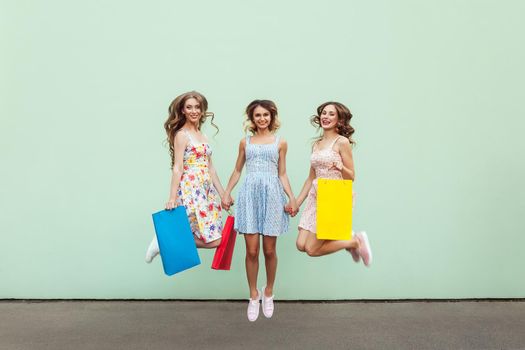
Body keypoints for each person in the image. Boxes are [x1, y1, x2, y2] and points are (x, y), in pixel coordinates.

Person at [222, 100, 296, 322]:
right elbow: (237, 170)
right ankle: (253, 294)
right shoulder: (245, 143)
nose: (262, 118)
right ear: (252, 119)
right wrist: (226, 192)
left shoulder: (280, 142)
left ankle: (269, 291)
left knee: (270, 251)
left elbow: (282, 173)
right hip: (249, 196)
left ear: (272, 117)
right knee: (252, 251)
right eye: (257, 115)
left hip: (273, 195)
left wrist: (292, 197)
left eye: (266, 115)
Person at [145, 91, 226, 263]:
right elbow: (178, 167)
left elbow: (211, 168)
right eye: (189, 107)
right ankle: (162, 241)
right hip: (191, 187)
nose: (194, 111)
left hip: (206, 189)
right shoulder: (182, 135)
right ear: (182, 110)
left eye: (197, 107)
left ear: (202, 110)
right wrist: (172, 197)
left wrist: (223, 194)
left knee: (216, 240)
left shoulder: (203, 136)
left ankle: (163, 242)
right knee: (202, 233)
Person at [295, 102, 372, 265]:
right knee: (301, 244)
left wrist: (340, 167)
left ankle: (354, 241)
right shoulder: (316, 144)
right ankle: (350, 240)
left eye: (331, 114)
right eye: (324, 113)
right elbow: (310, 178)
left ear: (339, 120)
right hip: (316, 197)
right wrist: (297, 202)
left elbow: (351, 177)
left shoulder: (341, 142)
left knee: (311, 249)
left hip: (334, 197)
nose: (326, 117)